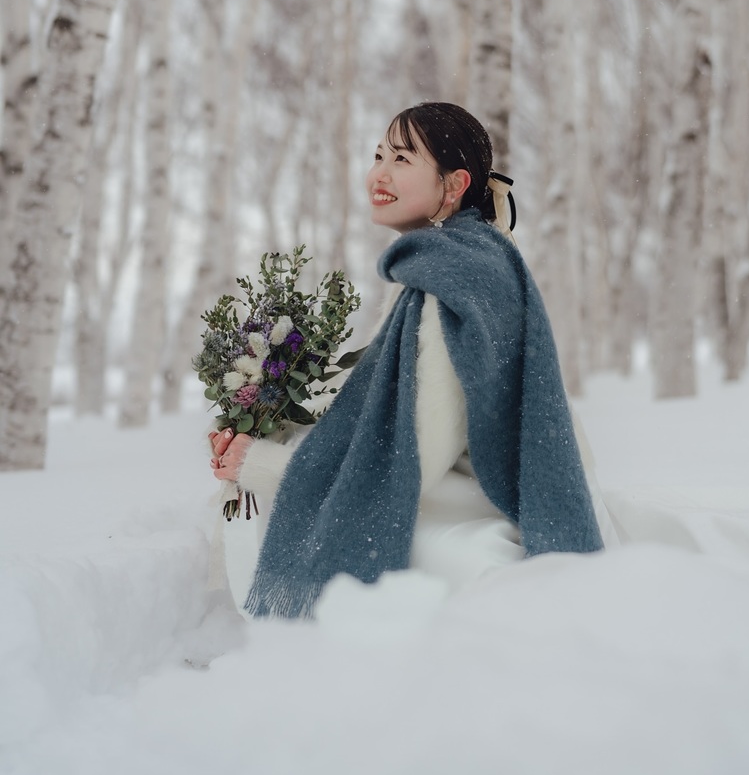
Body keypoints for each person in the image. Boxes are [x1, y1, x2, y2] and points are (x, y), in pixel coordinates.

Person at [209, 102, 612, 619]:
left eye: (402, 159)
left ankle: (266, 652)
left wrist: (260, 466)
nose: (378, 174)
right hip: (510, 490)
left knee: (278, 513)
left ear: (454, 184)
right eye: (378, 155)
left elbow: (406, 458)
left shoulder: (450, 286)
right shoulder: (472, 261)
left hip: (472, 506)